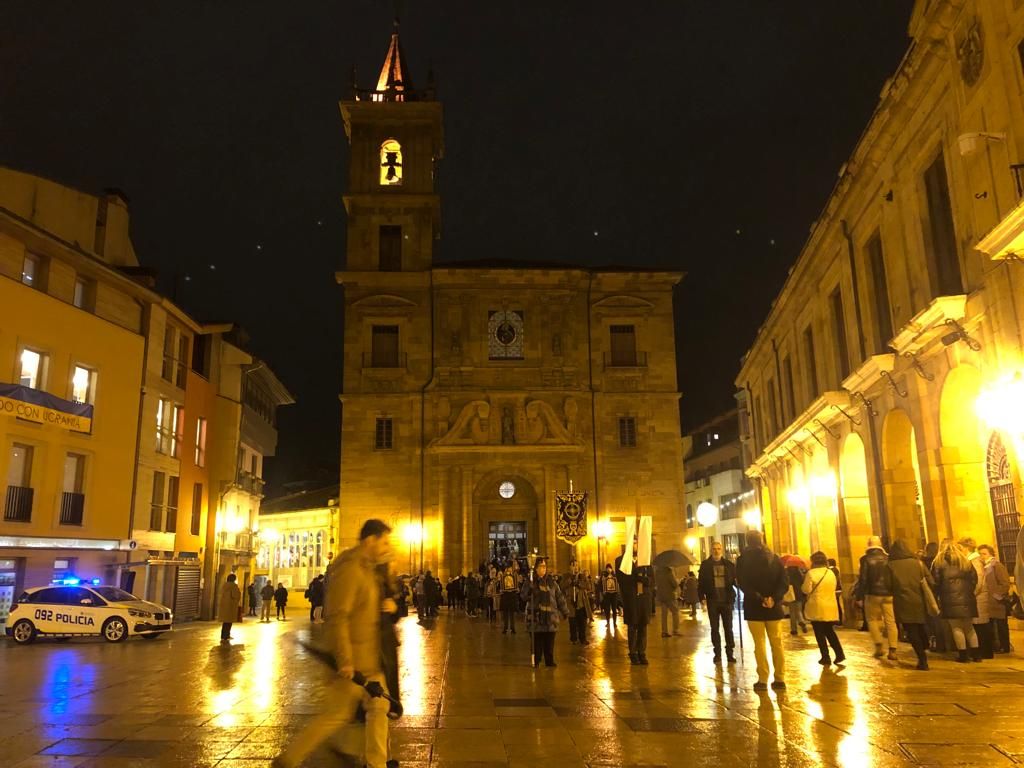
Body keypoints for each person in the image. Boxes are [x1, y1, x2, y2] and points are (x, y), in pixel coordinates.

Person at [273, 519, 395, 768]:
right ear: (370, 540)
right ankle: (287, 760)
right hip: (353, 661)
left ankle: (376, 763)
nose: (387, 547)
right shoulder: (351, 568)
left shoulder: (368, 568)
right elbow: (338, 616)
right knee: (335, 715)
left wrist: (388, 603)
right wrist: (345, 660)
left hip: (369, 658)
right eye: (384, 542)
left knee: (379, 706)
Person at [736, 529, 788, 691]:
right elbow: (784, 583)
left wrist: (759, 598)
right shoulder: (774, 558)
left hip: (754, 606)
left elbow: (743, 583)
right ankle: (780, 678)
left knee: (759, 644)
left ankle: (763, 678)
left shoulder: (743, 560)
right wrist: (773, 598)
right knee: (777, 642)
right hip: (773, 607)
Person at [932, 538, 981, 663]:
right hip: (967, 597)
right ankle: (976, 654)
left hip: (948, 598)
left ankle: (963, 655)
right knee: (969, 627)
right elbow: (974, 579)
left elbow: (935, 582)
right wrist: (969, 591)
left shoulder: (938, 561)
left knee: (956, 627)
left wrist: (938, 595)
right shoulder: (965, 561)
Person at [888, 539, 933, 670]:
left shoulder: (890, 565)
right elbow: (930, 580)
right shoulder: (918, 563)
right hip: (920, 600)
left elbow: (887, 585)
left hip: (902, 601)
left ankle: (922, 659)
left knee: (911, 631)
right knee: (920, 626)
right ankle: (925, 646)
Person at [854, 536, 897, 659]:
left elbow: (863, 578)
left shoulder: (865, 559)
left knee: (872, 619)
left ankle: (879, 644)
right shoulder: (888, 558)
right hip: (889, 594)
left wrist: (859, 596)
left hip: (872, 593)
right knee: (890, 621)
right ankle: (893, 649)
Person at [521, 558, 570, 667]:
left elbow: (559, 596)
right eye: (541, 566)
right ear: (536, 568)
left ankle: (549, 660)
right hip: (536, 617)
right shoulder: (530, 581)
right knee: (537, 642)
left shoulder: (551, 582)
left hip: (550, 616)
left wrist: (565, 611)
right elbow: (523, 596)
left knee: (549, 641)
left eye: (544, 566)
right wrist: (530, 590)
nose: (543, 569)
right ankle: (537, 660)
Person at [802, 551, 844, 666]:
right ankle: (840, 654)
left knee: (819, 633)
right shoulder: (830, 573)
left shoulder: (811, 573)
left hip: (817, 605)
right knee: (830, 631)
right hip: (830, 605)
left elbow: (806, 590)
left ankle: (825, 657)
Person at [698, 541, 736, 663]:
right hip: (713, 600)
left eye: (719, 548)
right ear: (711, 550)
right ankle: (717, 653)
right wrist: (702, 598)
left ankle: (730, 653)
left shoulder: (728, 565)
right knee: (715, 628)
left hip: (726, 601)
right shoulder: (705, 565)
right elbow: (701, 583)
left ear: (722, 550)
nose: (716, 551)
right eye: (714, 548)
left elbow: (734, 581)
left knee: (728, 628)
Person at [617, 545, 654, 666]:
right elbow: (622, 579)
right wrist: (636, 577)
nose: (635, 545)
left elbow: (651, 579)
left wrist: (643, 580)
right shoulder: (621, 560)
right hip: (631, 598)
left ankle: (642, 652)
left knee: (643, 626)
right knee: (632, 626)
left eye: (637, 543)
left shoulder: (645, 560)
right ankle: (633, 653)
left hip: (644, 598)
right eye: (633, 543)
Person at [960, 537, 994, 659]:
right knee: (979, 625)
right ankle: (983, 651)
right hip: (978, 597)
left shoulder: (974, 561)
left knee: (981, 626)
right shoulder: (973, 560)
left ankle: (985, 652)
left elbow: (978, 581)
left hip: (979, 598)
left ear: (966, 548)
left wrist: (971, 594)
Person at [978, 544, 1011, 653]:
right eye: (980, 554)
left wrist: (996, 596)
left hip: (998, 603)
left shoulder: (996, 566)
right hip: (988, 602)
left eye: (984, 553)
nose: (982, 556)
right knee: (991, 626)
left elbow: (1005, 583)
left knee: (1001, 626)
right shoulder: (983, 567)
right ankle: (996, 646)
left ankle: (1004, 646)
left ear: (991, 554)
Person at [561, 560, 593, 645]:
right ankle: (573, 638)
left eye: (576, 565)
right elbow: (562, 586)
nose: (575, 567)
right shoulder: (566, 576)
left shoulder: (582, 576)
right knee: (573, 622)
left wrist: (579, 583)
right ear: (570, 567)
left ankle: (583, 638)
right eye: (573, 565)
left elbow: (588, 586)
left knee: (582, 623)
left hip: (581, 603)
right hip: (571, 603)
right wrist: (570, 581)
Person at [655, 565, 680, 637]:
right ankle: (675, 630)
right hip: (669, 595)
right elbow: (674, 584)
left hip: (661, 595)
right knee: (675, 612)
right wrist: (676, 580)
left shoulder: (657, 572)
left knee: (664, 614)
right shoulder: (668, 572)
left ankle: (664, 631)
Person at [218, 573, 242, 642]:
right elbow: (236, 595)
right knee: (229, 622)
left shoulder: (224, 585)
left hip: (224, 606)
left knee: (225, 622)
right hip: (231, 606)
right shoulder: (234, 586)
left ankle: (223, 635)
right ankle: (226, 635)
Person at [500, 565, 519, 634]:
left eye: (511, 570)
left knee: (512, 615)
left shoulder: (514, 577)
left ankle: (512, 628)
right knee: (505, 615)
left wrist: (516, 589)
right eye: (509, 570)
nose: (510, 571)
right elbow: (501, 587)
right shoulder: (503, 577)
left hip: (512, 597)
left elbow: (516, 587)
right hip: (506, 597)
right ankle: (505, 628)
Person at [599, 564, 619, 629]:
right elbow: (600, 584)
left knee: (614, 609)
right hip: (607, 595)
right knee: (607, 609)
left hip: (614, 595)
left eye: (609, 568)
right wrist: (602, 592)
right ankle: (607, 622)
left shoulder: (615, 575)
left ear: (611, 568)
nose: (608, 569)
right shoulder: (603, 575)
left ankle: (614, 623)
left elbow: (617, 582)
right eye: (607, 568)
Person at [827, 558, 844, 625]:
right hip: (838, 589)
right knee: (837, 604)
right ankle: (839, 619)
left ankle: (836, 619)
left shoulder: (830, 570)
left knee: (835, 605)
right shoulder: (837, 569)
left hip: (833, 589)